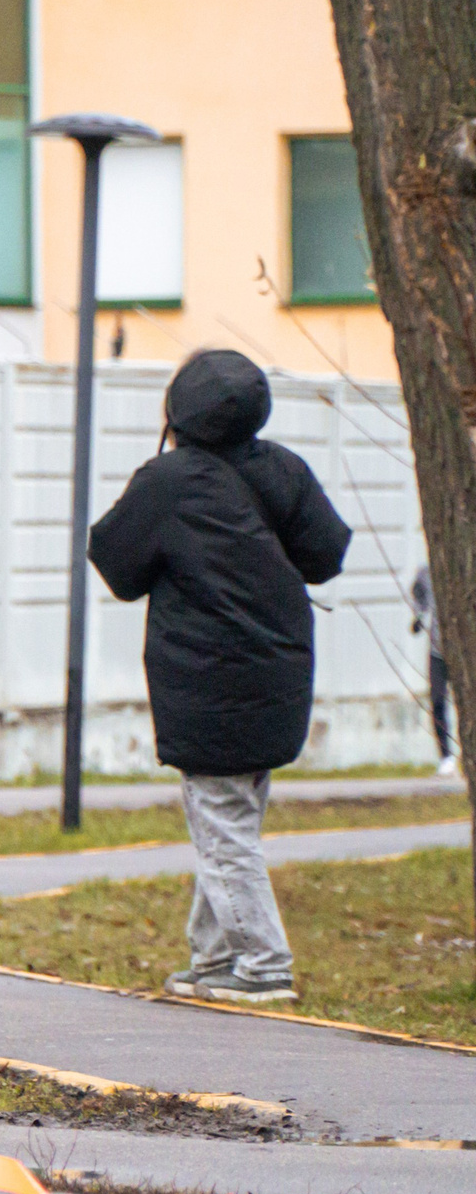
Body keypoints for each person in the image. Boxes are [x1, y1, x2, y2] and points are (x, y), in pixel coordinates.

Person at [90, 350, 350, 1005]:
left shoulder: (168, 481)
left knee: (222, 825)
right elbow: (325, 554)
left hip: (206, 678)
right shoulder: (284, 468)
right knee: (231, 819)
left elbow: (116, 562)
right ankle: (212, 957)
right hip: (281, 666)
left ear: (177, 410)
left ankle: (263, 963)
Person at [410, 564, 459, 779]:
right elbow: (419, 597)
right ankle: (446, 757)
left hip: (463, 651)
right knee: (437, 701)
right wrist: (418, 618)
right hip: (437, 651)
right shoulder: (427, 573)